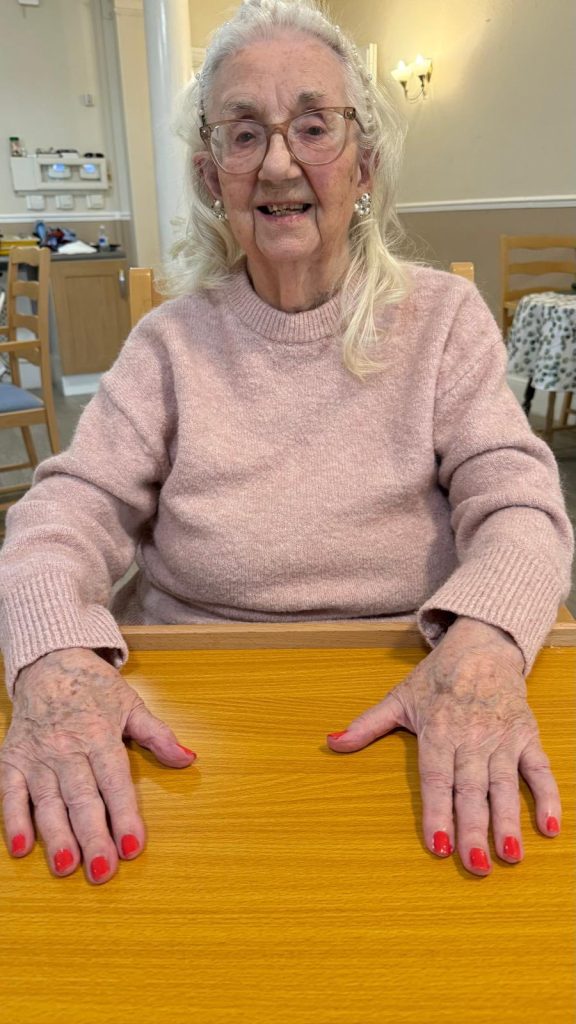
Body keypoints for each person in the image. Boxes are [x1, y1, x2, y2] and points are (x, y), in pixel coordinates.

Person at [0, 0, 573, 887]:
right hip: (186, 731)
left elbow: (522, 506)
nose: (277, 163)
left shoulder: (443, 320)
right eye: (243, 134)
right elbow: (63, 515)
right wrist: (53, 656)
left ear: (364, 163)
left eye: (313, 126)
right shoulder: (169, 343)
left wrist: (488, 636)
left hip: (420, 695)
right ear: (211, 176)